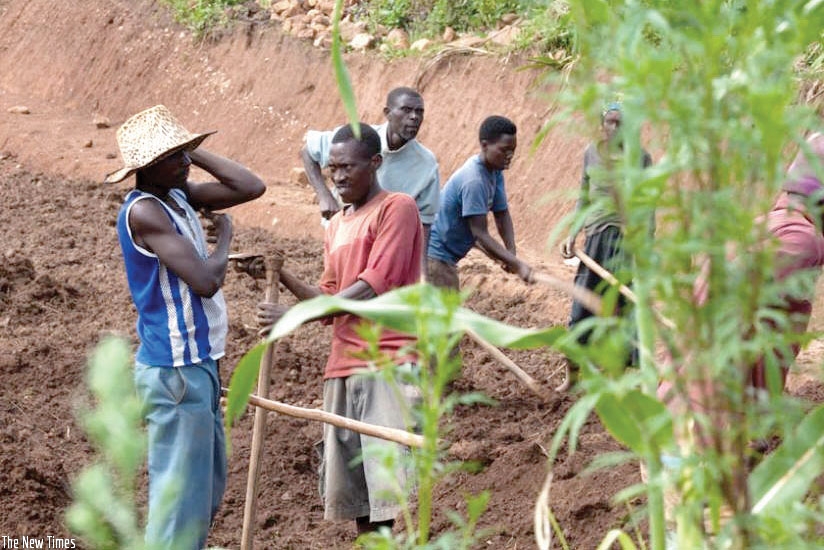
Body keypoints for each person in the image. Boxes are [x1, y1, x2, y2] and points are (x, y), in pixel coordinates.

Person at [108, 105, 265, 549]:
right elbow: (206, 280)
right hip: (175, 370)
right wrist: (227, 238)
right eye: (172, 156)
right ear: (147, 168)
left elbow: (251, 185)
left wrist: (192, 153)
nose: (183, 162)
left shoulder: (177, 195)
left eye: (184, 153)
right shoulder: (145, 212)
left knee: (203, 493)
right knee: (179, 507)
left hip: (197, 363)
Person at [258, 123, 422, 538]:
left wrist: (293, 318)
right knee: (358, 497)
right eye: (333, 169)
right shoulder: (337, 225)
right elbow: (329, 296)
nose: (339, 177)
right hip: (342, 365)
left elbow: (370, 286)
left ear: (375, 163)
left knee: (389, 495)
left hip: (386, 360)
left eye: (348, 167)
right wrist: (286, 278)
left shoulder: (397, 208)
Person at [557, 103, 653, 392]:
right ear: (602, 125)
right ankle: (572, 378)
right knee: (581, 309)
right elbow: (583, 196)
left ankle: (621, 382)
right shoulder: (591, 153)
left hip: (625, 246)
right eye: (610, 122)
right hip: (595, 240)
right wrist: (572, 232)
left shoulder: (641, 158)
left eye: (622, 123)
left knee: (622, 313)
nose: (615, 129)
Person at [301, 86, 439, 255]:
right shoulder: (358, 139)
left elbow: (424, 223)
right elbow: (308, 151)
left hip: (385, 246)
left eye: (419, 112)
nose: (414, 117)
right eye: (406, 110)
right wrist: (324, 196)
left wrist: (421, 274)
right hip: (342, 235)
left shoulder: (426, 164)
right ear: (387, 113)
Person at [426, 115, 533, 290]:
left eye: (513, 150)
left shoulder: (495, 171)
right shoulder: (474, 180)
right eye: (504, 150)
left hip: (447, 257)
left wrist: (510, 253)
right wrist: (518, 264)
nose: (510, 156)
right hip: (435, 258)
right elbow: (479, 233)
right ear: (485, 145)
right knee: (446, 315)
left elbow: (502, 213)